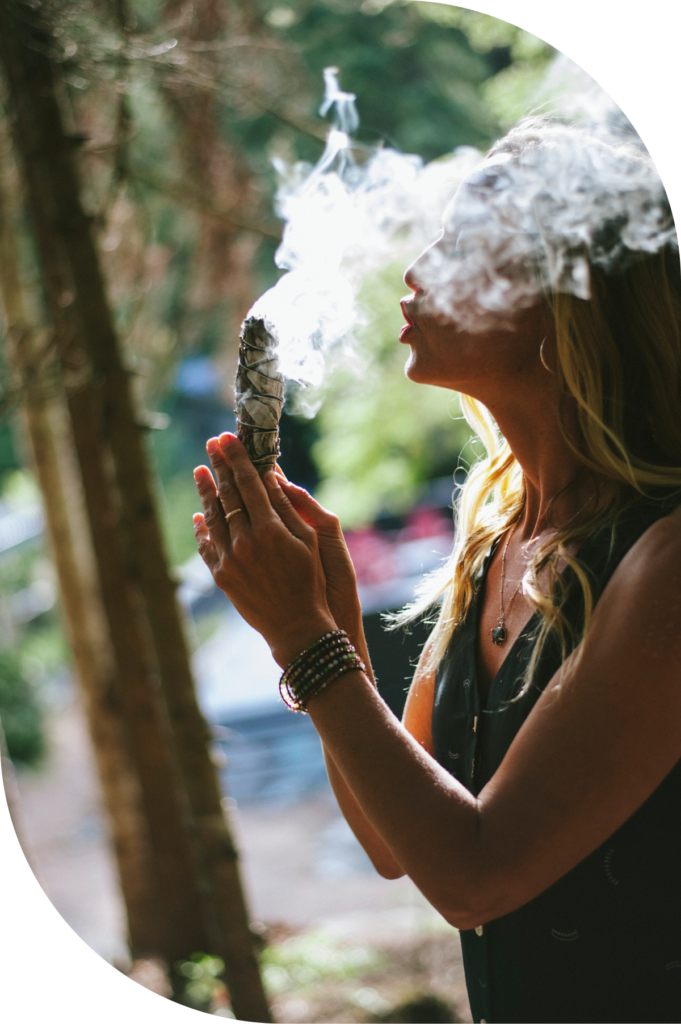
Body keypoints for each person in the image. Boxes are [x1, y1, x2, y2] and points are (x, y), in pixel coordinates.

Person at [192, 116, 681, 1024]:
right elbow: (391, 838)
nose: (417, 269)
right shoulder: (497, 536)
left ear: (561, 295)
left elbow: (473, 876)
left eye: (461, 244)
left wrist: (305, 639)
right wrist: (322, 619)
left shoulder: (664, 562)